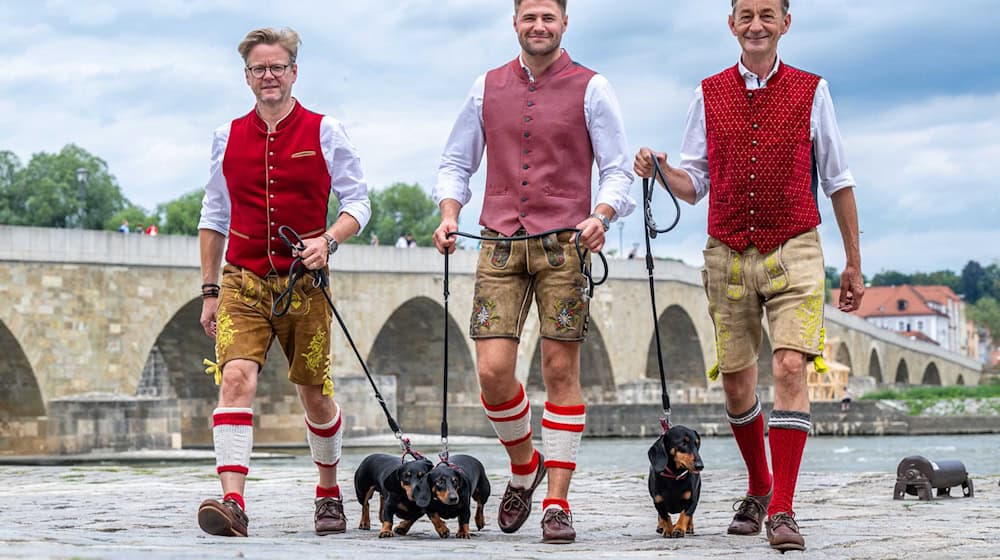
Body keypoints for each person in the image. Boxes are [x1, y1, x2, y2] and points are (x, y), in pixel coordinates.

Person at [635, 0, 864, 551]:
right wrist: (662, 170)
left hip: (795, 247)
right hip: (728, 251)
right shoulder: (706, 93)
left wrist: (854, 261)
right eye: (746, 14)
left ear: (786, 23)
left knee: (789, 365)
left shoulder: (814, 89)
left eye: (768, 14)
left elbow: (838, 179)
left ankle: (781, 508)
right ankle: (759, 485)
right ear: (732, 24)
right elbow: (694, 184)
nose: (756, 24)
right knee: (737, 379)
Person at [432, 0, 635, 544]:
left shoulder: (593, 88)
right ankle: (526, 463)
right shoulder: (485, 86)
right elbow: (456, 161)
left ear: (564, 22)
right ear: (515, 22)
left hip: (565, 245)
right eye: (529, 17)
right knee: (493, 372)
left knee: (559, 368)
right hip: (497, 241)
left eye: (548, 17)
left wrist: (602, 214)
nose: (538, 26)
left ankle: (557, 503)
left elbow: (616, 170)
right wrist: (450, 214)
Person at [196, 27, 371, 538]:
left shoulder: (325, 129)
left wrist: (329, 241)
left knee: (313, 392)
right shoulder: (226, 136)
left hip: (304, 282)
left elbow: (358, 203)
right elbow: (214, 214)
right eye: (258, 69)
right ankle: (233, 501)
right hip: (242, 280)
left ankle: (328, 491)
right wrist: (210, 290)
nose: (268, 76)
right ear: (246, 77)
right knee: (235, 378)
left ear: (294, 72)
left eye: (277, 67)